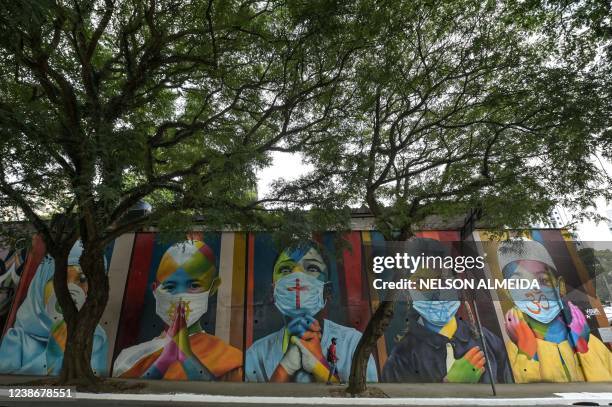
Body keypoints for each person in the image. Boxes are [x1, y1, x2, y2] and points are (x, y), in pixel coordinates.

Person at [382, 238, 511, 383]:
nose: (436, 292)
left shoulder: (488, 341)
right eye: (423, 282)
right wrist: (451, 383)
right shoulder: (400, 359)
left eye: (444, 280)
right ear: (408, 291)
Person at [245, 242, 378, 383]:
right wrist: (284, 368)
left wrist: (321, 366)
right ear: (273, 291)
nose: (297, 276)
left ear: (328, 291)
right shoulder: (256, 354)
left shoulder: (353, 344)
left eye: (312, 268)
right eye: (285, 270)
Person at [112, 240, 242, 381]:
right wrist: (163, 362)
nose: (180, 297)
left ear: (213, 288)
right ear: (156, 290)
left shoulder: (229, 359)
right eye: (169, 286)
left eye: (193, 285)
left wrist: (187, 357)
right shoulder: (129, 358)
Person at [499, 239, 612, 382]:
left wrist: (583, 348)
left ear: (561, 286)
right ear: (509, 293)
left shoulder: (592, 344)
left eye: (542, 280)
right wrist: (527, 353)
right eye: (520, 283)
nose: (534, 290)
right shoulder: (513, 351)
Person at [0, 241, 108, 376]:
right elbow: (8, 391)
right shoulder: (17, 339)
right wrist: (51, 355)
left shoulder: (96, 337)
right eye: (60, 279)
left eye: (82, 279)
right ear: (41, 284)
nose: (70, 290)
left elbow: (92, 383)